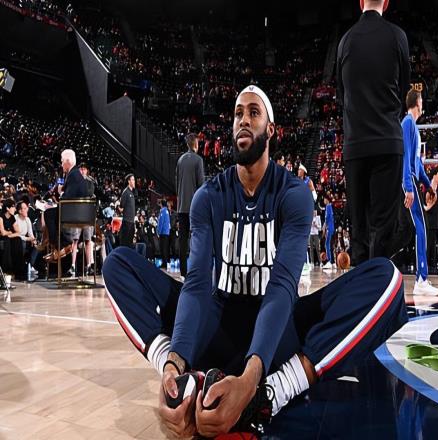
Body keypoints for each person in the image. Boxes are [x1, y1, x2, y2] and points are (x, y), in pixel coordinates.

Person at [102, 85, 408, 438]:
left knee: (387, 279)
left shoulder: (293, 193)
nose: (243, 120)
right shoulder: (208, 196)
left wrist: (252, 379)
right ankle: (181, 381)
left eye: (253, 112)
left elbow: (282, 286)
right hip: (217, 324)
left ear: (271, 130)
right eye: (237, 114)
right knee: (118, 265)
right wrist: (173, 361)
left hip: (278, 331)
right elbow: (197, 284)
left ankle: (272, 393)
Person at [337, 0, 410, 265]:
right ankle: (379, 283)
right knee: (383, 231)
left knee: (359, 233)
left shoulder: (345, 41)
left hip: (356, 145)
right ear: (387, 3)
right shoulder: (398, 36)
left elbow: (341, 95)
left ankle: (360, 286)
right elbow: (403, 89)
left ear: (360, 3)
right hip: (388, 142)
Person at [401, 89, 438, 296]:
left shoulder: (413, 126)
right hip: (409, 181)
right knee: (421, 227)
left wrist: (428, 185)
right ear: (417, 102)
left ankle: (422, 278)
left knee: (419, 227)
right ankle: (421, 279)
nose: (423, 103)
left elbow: (417, 163)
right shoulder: (407, 123)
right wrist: (409, 187)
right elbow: (405, 158)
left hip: (414, 179)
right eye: (422, 100)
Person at [43, 149, 89, 261]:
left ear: (68, 161)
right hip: (78, 211)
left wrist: (60, 194)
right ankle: (60, 246)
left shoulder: (73, 175)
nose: (61, 163)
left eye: (62, 161)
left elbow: (67, 198)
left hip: (74, 214)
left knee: (48, 213)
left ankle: (58, 247)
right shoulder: (75, 173)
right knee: (53, 213)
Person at [176, 133, 204, 279]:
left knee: (183, 241)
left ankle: (183, 273)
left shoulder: (180, 160)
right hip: (194, 208)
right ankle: (195, 271)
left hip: (181, 207)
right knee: (196, 240)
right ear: (195, 144)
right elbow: (201, 186)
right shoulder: (198, 160)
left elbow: (177, 184)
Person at [0, 198, 24, 279]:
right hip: (2, 238)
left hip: (8, 237)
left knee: (18, 240)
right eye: (13, 207)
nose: (15, 209)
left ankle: (17, 270)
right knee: (7, 241)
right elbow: (2, 233)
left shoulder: (12, 218)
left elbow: (18, 232)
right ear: (7, 208)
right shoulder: (1, 217)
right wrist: (9, 232)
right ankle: (6, 270)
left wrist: (9, 234)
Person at [15, 201, 38, 277]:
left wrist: (33, 240)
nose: (27, 210)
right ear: (20, 211)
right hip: (16, 240)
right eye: (24, 208)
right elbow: (17, 235)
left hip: (25, 240)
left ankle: (30, 265)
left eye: (26, 208)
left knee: (36, 246)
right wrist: (28, 239)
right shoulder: (15, 218)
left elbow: (30, 233)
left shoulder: (27, 219)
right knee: (21, 242)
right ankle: (20, 268)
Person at [119, 174, 136, 248]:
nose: (134, 181)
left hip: (132, 222)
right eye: (133, 180)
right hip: (126, 222)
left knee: (130, 244)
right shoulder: (125, 192)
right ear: (129, 181)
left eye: (134, 180)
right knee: (125, 244)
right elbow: (121, 207)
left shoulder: (132, 193)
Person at [322, 195, 335, 270]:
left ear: (327, 200)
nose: (324, 201)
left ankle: (329, 261)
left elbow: (327, 217)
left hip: (329, 228)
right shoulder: (330, 206)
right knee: (330, 244)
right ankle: (333, 262)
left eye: (324, 199)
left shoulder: (328, 206)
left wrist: (325, 226)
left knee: (327, 244)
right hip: (331, 227)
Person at [158, 199, 171, 269]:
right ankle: (165, 263)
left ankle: (164, 263)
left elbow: (161, 223)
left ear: (161, 204)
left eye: (160, 204)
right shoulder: (167, 211)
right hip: (166, 232)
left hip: (163, 232)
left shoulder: (163, 211)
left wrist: (158, 232)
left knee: (162, 248)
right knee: (165, 248)